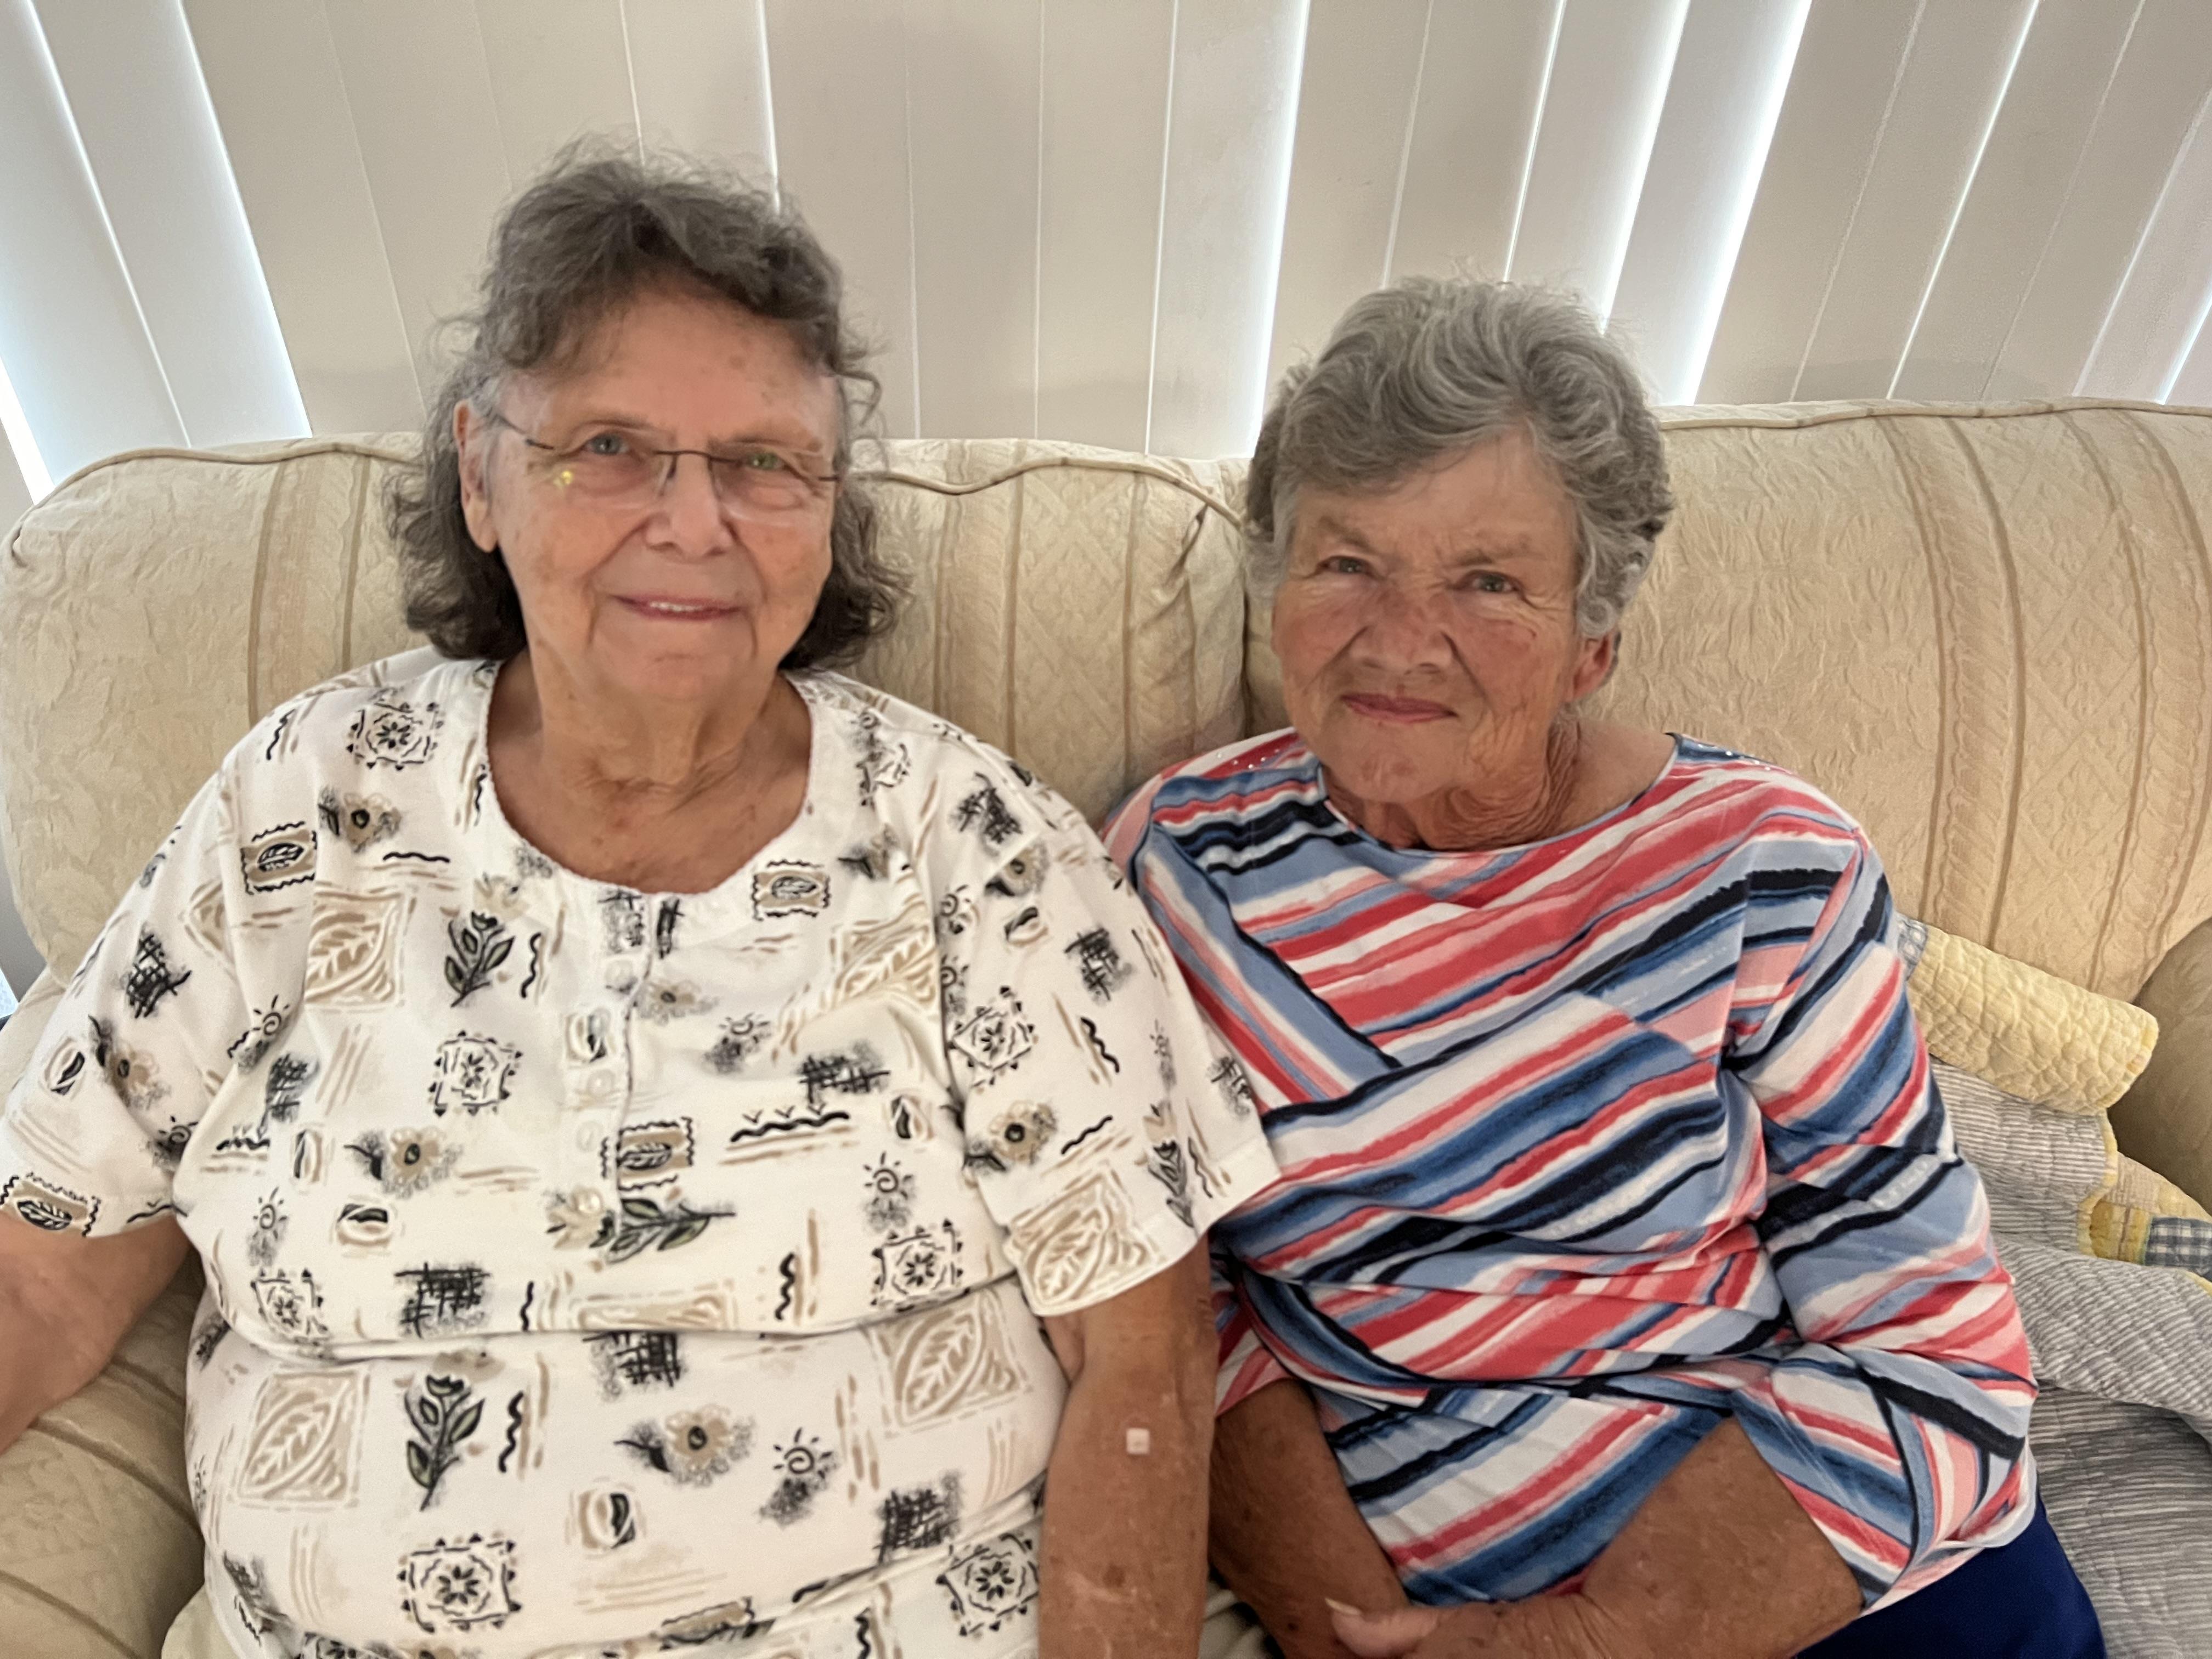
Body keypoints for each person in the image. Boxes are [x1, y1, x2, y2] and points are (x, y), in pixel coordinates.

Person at [0, 150, 1277, 1659]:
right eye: (608, 447)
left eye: (762, 463)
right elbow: (42, 1271)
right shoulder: (304, 801)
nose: (693, 523)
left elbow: (1140, 1352)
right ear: (479, 471)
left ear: (828, 509)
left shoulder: (969, 838)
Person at [1107, 278, 2103, 1659]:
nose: (1399, 640)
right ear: (1277, 582)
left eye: (1488, 582)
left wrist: (1600, 1645)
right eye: (1346, 563)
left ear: (1596, 640)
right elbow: (1161, 1304)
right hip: (1406, 1581)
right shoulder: (1173, 871)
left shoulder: (1766, 864)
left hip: (1805, 1536)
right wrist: (1355, 1636)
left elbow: (1930, 1331)